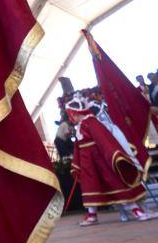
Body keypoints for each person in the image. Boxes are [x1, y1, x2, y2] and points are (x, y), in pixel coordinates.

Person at [65, 94, 151, 226]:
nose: (70, 118)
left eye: (70, 114)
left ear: (75, 113)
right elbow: (78, 146)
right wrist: (77, 163)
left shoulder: (92, 122)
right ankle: (92, 215)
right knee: (90, 187)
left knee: (115, 183)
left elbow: (104, 140)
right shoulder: (81, 125)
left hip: (99, 161)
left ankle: (136, 210)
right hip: (88, 164)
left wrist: (113, 155)